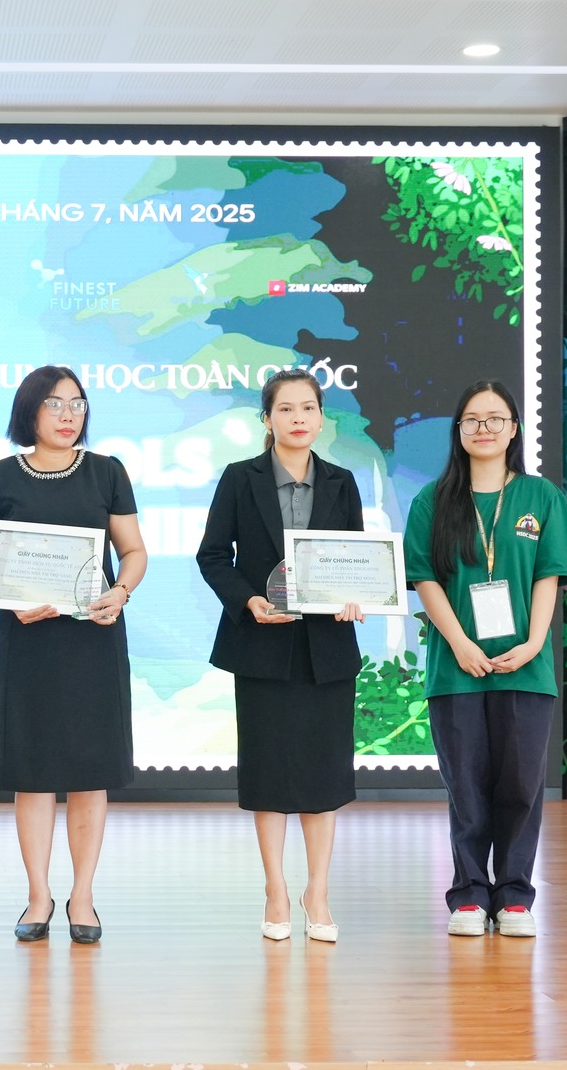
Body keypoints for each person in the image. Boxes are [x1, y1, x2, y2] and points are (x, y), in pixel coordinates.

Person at [0, 366, 147, 945]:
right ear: (30, 413)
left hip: (93, 637)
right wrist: (8, 598)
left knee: (92, 773)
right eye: (54, 405)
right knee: (34, 772)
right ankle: (39, 895)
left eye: (77, 404)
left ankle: (83, 895)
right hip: (27, 640)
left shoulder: (107, 472)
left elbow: (134, 550)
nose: (69, 415)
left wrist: (120, 592)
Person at [403, 380, 567, 939]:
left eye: (495, 418)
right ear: (458, 432)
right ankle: (468, 896)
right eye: (472, 420)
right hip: (456, 668)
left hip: (525, 669)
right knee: (468, 788)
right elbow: (425, 579)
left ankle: (514, 897)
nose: (484, 428)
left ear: (514, 429)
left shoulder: (541, 497)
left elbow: (550, 575)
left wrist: (533, 644)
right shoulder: (433, 501)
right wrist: (459, 644)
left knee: (521, 786)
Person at [195, 368, 365, 944]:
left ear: (321, 418)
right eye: (286, 409)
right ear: (266, 419)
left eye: (309, 409)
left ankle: (317, 891)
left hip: (327, 650)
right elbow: (213, 555)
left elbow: (358, 561)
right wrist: (248, 601)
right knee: (269, 772)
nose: (298, 418)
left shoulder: (343, 482)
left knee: (323, 774)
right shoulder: (240, 479)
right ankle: (274, 887)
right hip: (262, 644)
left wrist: (357, 600)